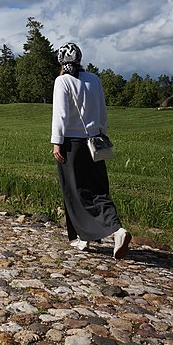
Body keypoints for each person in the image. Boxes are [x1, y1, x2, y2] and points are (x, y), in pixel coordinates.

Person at [51, 43, 131, 259]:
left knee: (75, 192)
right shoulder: (94, 79)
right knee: (98, 189)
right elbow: (102, 109)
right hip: (95, 141)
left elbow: (61, 114)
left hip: (72, 144)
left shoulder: (63, 81)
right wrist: (101, 133)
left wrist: (56, 141)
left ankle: (108, 232)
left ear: (60, 61)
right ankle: (93, 235)